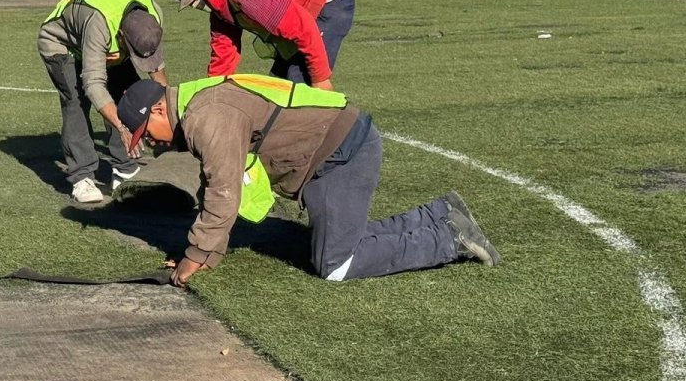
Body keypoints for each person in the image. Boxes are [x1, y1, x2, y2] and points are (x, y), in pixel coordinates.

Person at [116, 74, 500, 287]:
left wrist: (194, 258)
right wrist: (205, 254)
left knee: (334, 265)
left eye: (145, 131)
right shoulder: (199, 107)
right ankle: (441, 213)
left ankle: (448, 239)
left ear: (160, 107)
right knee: (340, 242)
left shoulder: (206, 116)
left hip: (342, 154)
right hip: (332, 153)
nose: (148, 141)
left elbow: (224, 191)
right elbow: (217, 182)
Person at [39, 0, 167, 204]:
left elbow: (157, 69)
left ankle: (124, 169)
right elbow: (94, 84)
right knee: (75, 103)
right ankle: (82, 175)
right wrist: (122, 127)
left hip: (107, 44)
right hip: (63, 45)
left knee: (129, 96)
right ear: (121, 38)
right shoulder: (99, 24)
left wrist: (169, 109)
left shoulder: (153, 15)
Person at [168, 0, 355, 91]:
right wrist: (213, 93)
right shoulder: (221, 8)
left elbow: (304, 28)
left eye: (198, 0)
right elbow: (223, 55)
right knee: (277, 85)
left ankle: (336, 133)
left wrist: (320, 79)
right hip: (302, 13)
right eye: (192, 4)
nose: (198, 6)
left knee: (301, 87)